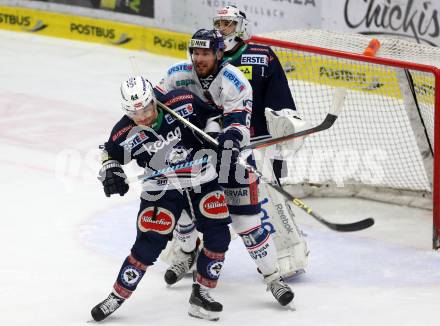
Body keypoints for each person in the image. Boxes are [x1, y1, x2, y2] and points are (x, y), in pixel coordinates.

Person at [156, 28, 295, 306]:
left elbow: (239, 125)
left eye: (205, 53)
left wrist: (230, 139)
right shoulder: (177, 74)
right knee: (183, 212)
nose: (199, 58)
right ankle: (186, 254)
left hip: (232, 159)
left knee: (248, 225)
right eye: (195, 52)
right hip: (192, 158)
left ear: (219, 53)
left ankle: (272, 277)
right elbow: (156, 103)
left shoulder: (235, 81)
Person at [90, 76, 232, 322]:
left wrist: (215, 140)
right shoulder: (124, 131)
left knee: (219, 233)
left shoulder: (182, 102)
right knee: (149, 241)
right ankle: (117, 295)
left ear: (153, 100)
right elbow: (108, 153)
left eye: (146, 108)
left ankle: (202, 294)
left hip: (199, 176)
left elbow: (213, 115)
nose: (143, 116)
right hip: (161, 185)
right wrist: (112, 171)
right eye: (135, 113)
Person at [212, 5, 309, 277]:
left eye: (228, 24)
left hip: (261, 143)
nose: (222, 29)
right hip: (223, 145)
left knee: (269, 202)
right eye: (218, 23)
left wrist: (285, 120)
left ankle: (292, 251)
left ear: (241, 26)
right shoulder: (209, 59)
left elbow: (281, 100)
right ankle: (191, 249)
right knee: (208, 199)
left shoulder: (262, 55)